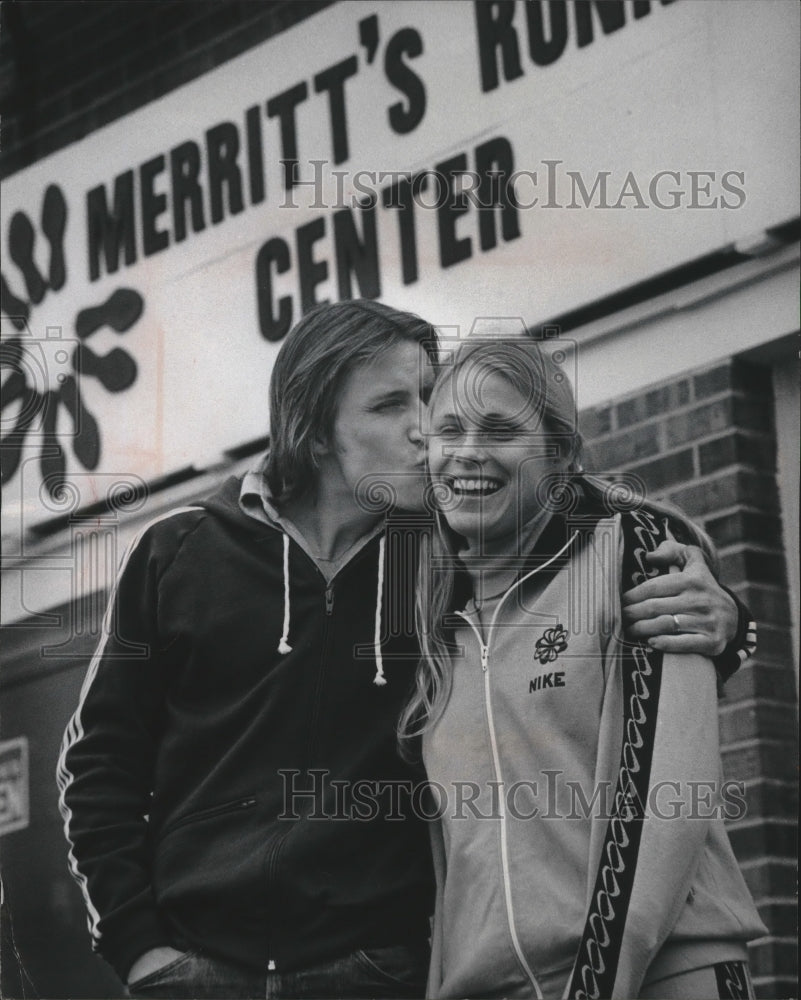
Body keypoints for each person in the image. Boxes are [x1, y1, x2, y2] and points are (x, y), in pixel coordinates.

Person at [57, 301, 755, 1000]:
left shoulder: (439, 550)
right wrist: (138, 948)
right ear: (316, 429)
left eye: (427, 395)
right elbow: (98, 761)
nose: (425, 428)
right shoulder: (178, 550)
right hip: (196, 968)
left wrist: (724, 615)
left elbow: (563, 497)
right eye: (392, 405)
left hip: (375, 969)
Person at [401, 336, 765, 1000]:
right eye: (448, 430)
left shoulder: (633, 556)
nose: (467, 452)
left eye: (501, 430)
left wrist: (601, 981)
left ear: (560, 455)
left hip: (658, 974)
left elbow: (660, 800)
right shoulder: (430, 626)